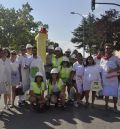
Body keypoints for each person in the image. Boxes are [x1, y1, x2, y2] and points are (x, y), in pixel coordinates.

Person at [100, 43, 120, 111]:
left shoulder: (115, 58)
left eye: (108, 48)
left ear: (111, 50)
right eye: (106, 48)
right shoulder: (102, 59)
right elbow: (100, 69)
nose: (107, 49)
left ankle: (115, 106)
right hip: (105, 79)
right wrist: (100, 79)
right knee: (106, 93)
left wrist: (113, 70)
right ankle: (106, 105)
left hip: (113, 79)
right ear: (105, 50)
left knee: (114, 93)